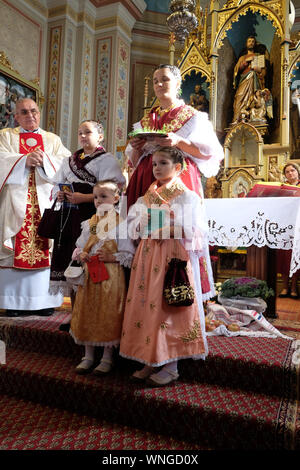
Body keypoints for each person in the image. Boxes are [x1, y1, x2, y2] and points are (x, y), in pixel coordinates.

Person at [124, 64, 223, 300]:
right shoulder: (147, 120)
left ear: (178, 84)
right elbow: (134, 161)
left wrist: (178, 141)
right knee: (145, 234)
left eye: (165, 79)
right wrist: (138, 149)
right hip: (145, 179)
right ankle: (142, 297)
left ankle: (179, 293)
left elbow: (209, 154)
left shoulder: (193, 117)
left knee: (173, 233)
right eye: (156, 80)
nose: (159, 84)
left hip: (178, 178)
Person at [119, 146, 208, 386]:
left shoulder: (186, 196)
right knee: (146, 306)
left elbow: (195, 231)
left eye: (163, 163)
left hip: (170, 256)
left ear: (177, 168)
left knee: (166, 307)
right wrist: (139, 223)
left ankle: (171, 365)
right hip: (147, 256)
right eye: (155, 164)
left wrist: (168, 227)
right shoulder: (146, 196)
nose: (157, 168)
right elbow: (131, 227)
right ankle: (150, 358)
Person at [0, 98, 70, 317]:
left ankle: (44, 302)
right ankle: (13, 303)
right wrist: (22, 161)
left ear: (39, 114)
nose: (30, 115)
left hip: (44, 201)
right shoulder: (6, 136)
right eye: (24, 112)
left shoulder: (52, 139)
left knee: (46, 247)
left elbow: (66, 163)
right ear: (16, 116)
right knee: (13, 246)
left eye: (34, 111)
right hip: (14, 202)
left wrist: (45, 161)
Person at [48, 120, 125, 309]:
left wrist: (84, 197)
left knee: (87, 262)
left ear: (100, 136)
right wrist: (59, 194)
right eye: (80, 133)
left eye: (87, 132)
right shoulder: (69, 160)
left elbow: (112, 191)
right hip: (67, 218)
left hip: (92, 216)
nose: (82, 136)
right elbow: (57, 183)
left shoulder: (107, 160)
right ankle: (74, 316)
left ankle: (90, 315)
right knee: (70, 260)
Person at [69, 180, 135, 375]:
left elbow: (129, 254)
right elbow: (80, 245)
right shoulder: (90, 222)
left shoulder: (121, 224)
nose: (98, 201)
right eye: (96, 197)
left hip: (111, 277)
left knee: (108, 313)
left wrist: (113, 257)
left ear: (116, 199)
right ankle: (88, 355)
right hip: (90, 274)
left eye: (104, 197)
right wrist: (81, 253)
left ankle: (106, 358)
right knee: (87, 311)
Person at [232, 36, 269, 125]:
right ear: (246, 44)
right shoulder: (242, 57)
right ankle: (236, 119)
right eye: (249, 41)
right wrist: (246, 61)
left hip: (255, 80)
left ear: (255, 44)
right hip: (244, 80)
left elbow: (263, 72)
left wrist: (257, 69)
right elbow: (237, 70)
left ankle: (254, 117)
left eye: (253, 41)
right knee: (239, 96)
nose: (251, 43)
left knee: (255, 98)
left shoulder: (259, 56)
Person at [277, 162, 300, 299]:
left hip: (298, 224)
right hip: (285, 225)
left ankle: (294, 287)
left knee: (296, 256)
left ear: (297, 172)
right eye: (287, 172)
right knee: (284, 257)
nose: (290, 173)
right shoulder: (282, 188)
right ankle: (285, 287)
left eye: (293, 171)